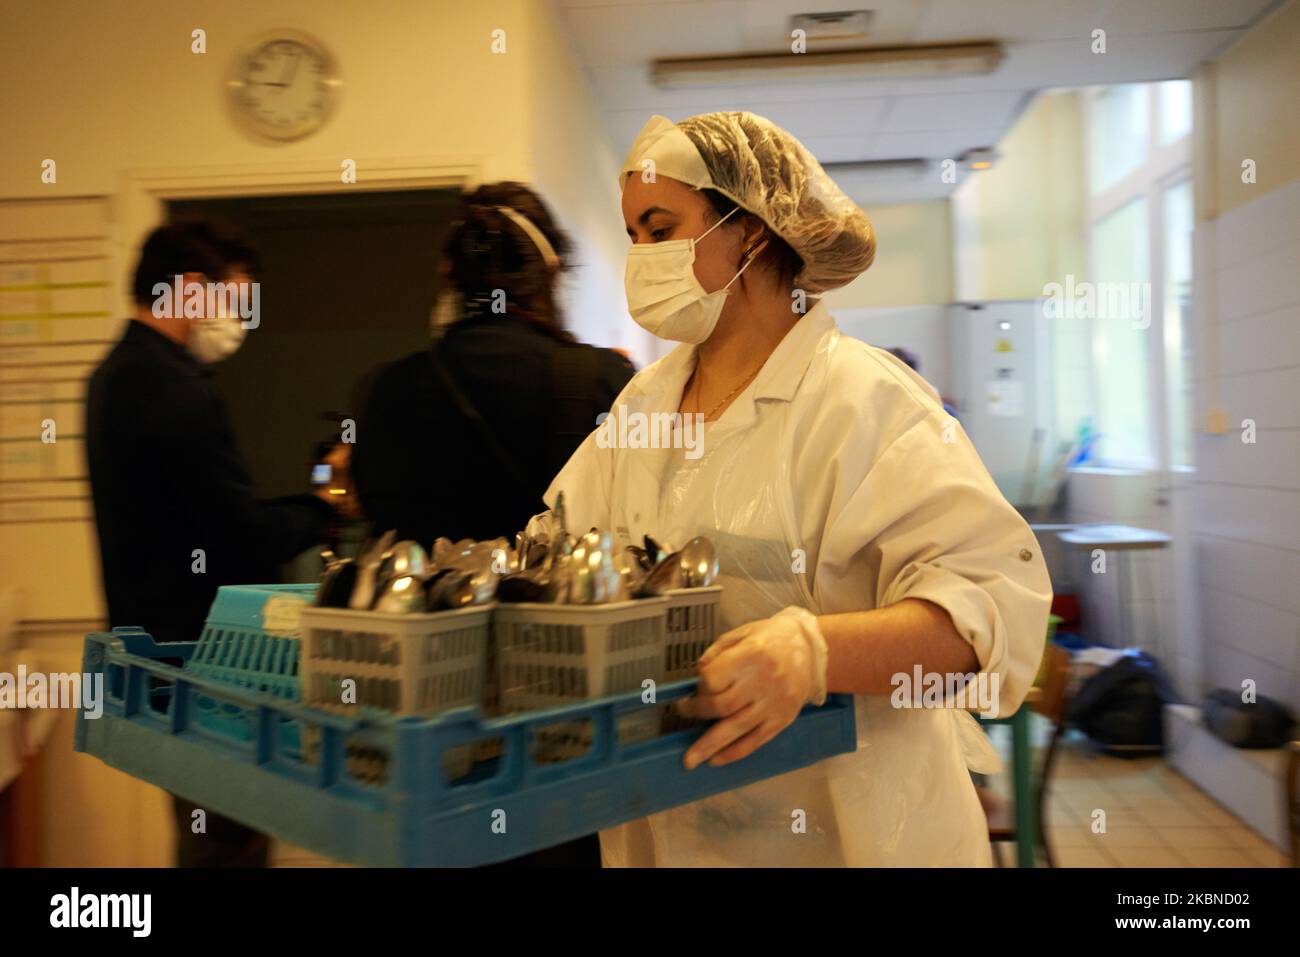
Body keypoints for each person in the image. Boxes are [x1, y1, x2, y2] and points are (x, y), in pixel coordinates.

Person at [546, 113, 1053, 867]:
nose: (641, 258)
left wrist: (814, 652)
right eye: (633, 237)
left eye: (660, 229)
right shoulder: (641, 408)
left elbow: (990, 617)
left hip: (859, 832)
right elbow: (562, 552)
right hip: (674, 822)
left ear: (748, 230)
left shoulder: (865, 401)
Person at [350, 182, 633, 866]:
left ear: (451, 275)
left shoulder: (388, 389)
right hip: (566, 724)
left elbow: (375, 519)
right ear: (552, 273)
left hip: (427, 725)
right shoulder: (602, 381)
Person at [85, 220, 340, 866]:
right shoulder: (174, 390)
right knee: (227, 842)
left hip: (154, 661)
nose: (239, 323)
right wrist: (327, 506)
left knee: (206, 834)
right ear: (193, 291)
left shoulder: (113, 375)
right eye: (236, 302)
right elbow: (241, 539)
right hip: (208, 668)